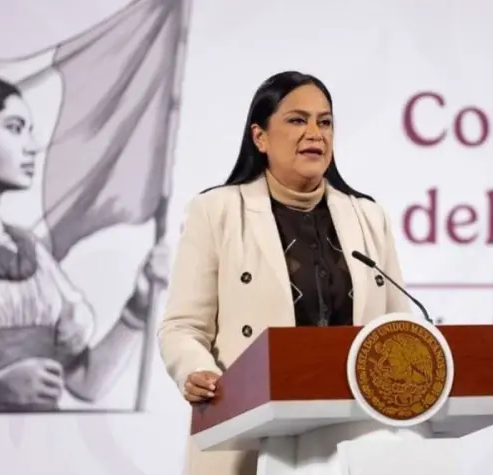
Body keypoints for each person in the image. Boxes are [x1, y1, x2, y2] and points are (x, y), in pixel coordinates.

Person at [157, 70, 412, 475]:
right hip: (247, 428)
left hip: (351, 436)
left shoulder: (368, 216)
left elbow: (400, 329)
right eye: (297, 120)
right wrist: (195, 370)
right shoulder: (216, 211)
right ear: (260, 137)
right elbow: (182, 326)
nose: (315, 133)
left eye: (324, 122)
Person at [0, 76, 169, 412]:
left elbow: (86, 383)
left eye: (30, 130)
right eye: (14, 128)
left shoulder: (31, 252)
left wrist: (138, 307)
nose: (33, 145)